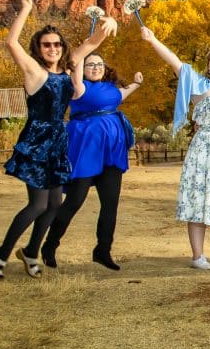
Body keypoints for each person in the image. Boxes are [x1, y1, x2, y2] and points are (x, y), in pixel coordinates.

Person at [0, 0, 115, 281]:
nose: (53, 48)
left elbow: (90, 43)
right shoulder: (34, 71)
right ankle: (1, 253)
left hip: (59, 139)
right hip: (37, 139)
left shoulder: (68, 69)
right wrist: (25, 9)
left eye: (57, 44)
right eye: (47, 45)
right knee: (38, 203)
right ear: (39, 48)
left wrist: (107, 22)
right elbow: (10, 42)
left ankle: (32, 251)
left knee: (56, 203)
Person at [141, 27, 210, 270]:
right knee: (199, 201)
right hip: (204, 151)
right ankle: (198, 256)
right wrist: (153, 40)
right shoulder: (199, 85)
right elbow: (176, 63)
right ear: (209, 66)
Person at [41, 52, 143, 270]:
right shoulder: (78, 88)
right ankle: (49, 246)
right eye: (90, 64)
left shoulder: (111, 89)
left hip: (112, 152)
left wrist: (136, 83)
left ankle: (102, 251)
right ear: (82, 68)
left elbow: (122, 95)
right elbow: (76, 69)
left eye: (99, 64)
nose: (96, 67)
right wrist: (85, 50)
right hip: (85, 151)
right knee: (74, 201)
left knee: (110, 204)